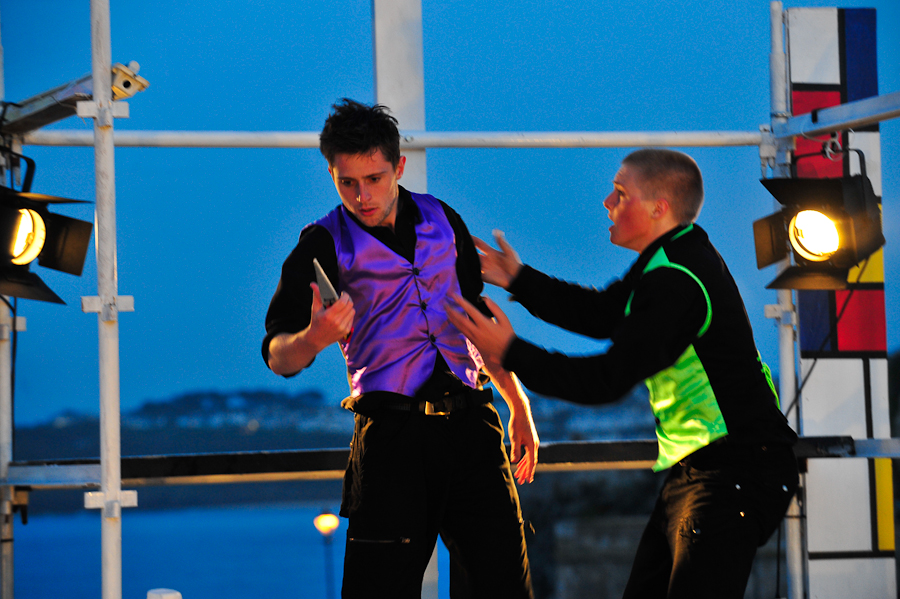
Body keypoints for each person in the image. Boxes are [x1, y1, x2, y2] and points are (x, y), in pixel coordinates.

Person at [446, 148, 798, 599]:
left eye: (619, 194)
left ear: (658, 208)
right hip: (701, 468)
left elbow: (607, 378)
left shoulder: (678, 278)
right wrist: (519, 279)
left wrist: (511, 352)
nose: (607, 203)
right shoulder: (669, 256)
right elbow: (603, 313)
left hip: (736, 470)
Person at [262, 98, 537, 599]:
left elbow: (479, 322)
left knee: (504, 587)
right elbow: (278, 355)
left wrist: (517, 403)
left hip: (474, 428)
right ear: (331, 175)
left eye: (374, 179)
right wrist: (314, 338)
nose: (362, 196)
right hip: (392, 441)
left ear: (399, 167)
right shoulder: (321, 242)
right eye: (347, 182)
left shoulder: (443, 218)